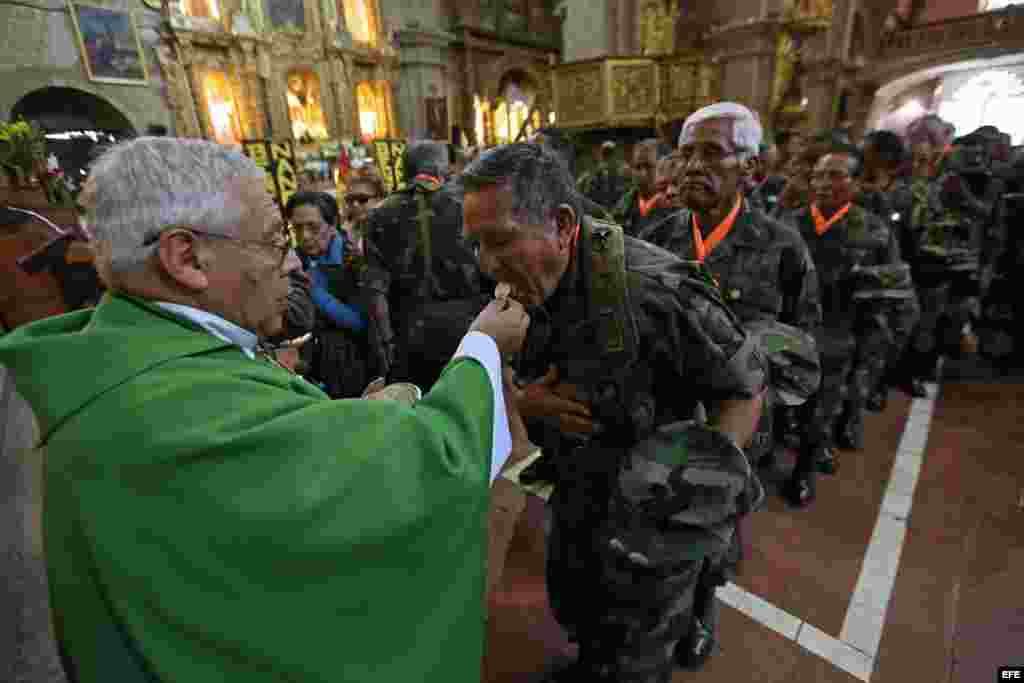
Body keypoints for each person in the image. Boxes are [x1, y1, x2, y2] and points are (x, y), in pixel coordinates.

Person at [0, 136, 532, 683]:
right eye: (276, 241)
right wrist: (485, 345)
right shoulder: (163, 403)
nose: (293, 262)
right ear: (186, 258)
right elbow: (430, 464)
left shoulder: (124, 356)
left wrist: (347, 419)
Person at [460, 142, 766, 683]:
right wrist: (529, 401)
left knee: (640, 652)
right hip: (578, 490)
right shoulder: (527, 277)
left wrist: (694, 497)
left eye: (501, 242)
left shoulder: (656, 290)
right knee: (578, 606)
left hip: (654, 508)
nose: (488, 264)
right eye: (478, 246)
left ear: (560, 224)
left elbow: (743, 388)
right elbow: (519, 369)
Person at [636, 102, 821, 660]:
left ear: (754, 169)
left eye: (711, 153)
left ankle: (701, 609)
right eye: (685, 152)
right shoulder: (653, 235)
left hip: (734, 427)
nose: (691, 166)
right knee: (654, 524)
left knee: (714, 528)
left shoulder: (782, 246)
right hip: (660, 417)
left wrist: (773, 415)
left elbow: (801, 348)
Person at [781, 145, 901, 506]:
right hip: (790, 332)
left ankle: (803, 470)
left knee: (822, 408)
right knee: (783, 403)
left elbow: (890, 293)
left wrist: (869, 347)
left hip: (839, 336)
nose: (823, 184)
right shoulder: (789, 222)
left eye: (836, 175)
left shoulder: (874, 230)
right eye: (818, 175)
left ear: (856, 183)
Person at [361, 140, 486, 388]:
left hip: (409, 335)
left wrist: (386, 344)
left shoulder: (379, 215)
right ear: (444, 169)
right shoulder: (470, 206)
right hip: (470, 330)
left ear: (403, 171)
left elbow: (375, 291)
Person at [856, 130, 922, 408]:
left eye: (867, 149)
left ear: (882, 155)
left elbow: (913, 232)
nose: (862, 153)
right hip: (860, 269)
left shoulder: (905, 190)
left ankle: (880, 384)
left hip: (894, 270)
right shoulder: (854, 183)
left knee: (897, 328)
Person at [287, 190, 369, 398]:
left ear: (332, 225)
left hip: (358, 364)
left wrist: (312, 288)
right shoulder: (293, 260)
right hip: (314, 366)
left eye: (313, 227)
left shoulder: (356, 260)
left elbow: (360, 321)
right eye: (297, 228)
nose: (304, 236)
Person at [613, 139, 672, 236]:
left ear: (664, 167)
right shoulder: (622, 208)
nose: (642, 174)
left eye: (649, 166)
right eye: (637, 167)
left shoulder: (675, 206)